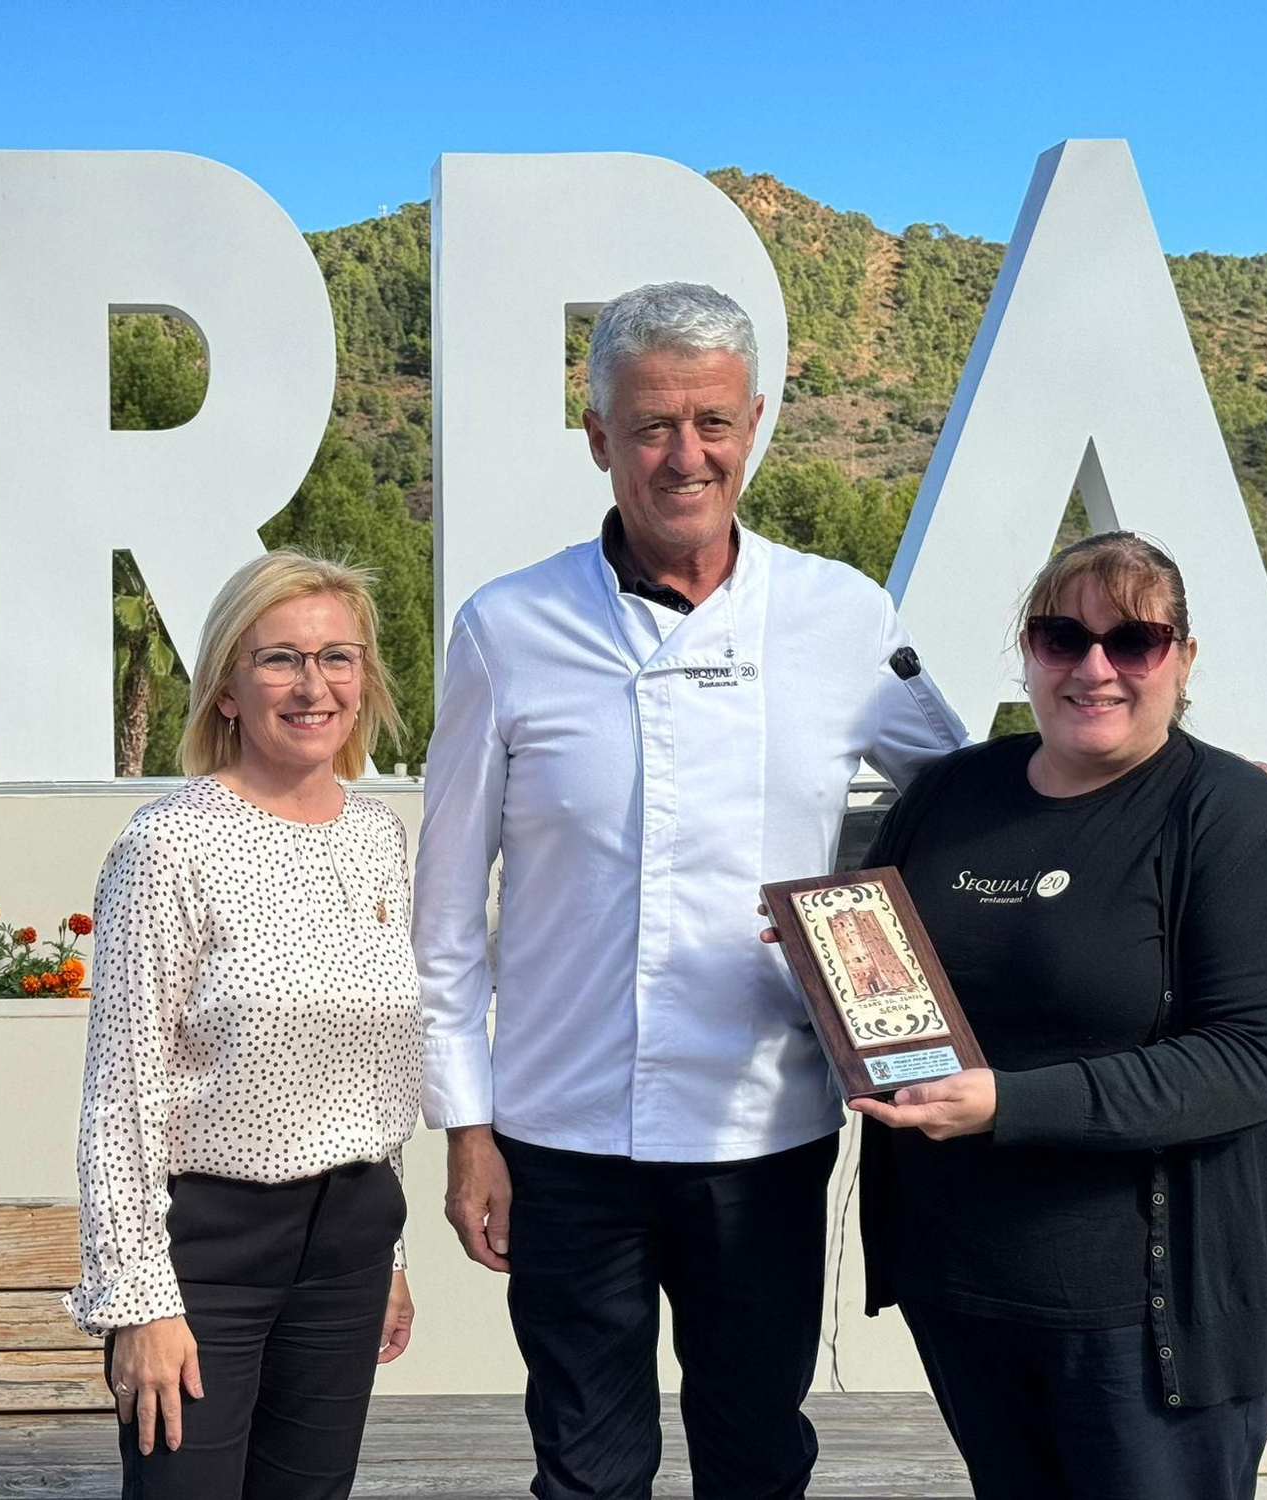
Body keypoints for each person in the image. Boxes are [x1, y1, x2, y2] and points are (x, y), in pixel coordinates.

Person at [413, 280, 970, 1500]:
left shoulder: (840, 613)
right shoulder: (505, 627)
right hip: (557, 1135)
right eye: (652, 425)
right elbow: (445, 915)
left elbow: (976, 789)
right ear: (598, 435)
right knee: (584, 1465)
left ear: (756, 421)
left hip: (759, 1130)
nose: (685, 455)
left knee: (756, 1449)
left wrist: (1172, 775)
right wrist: (466, 1128)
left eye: (711, 422)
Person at [848, 532, 1267, 1499]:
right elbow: (899, 982)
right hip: (962, 1291)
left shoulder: (1232, 814)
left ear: (1184, 657)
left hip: (1146, 1320)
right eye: (1061, 637)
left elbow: (1255, 1058)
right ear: (1028, 652)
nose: (1095, 668)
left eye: (1135, 641)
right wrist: (823, 960)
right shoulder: (953, 794)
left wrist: (1011, 1103)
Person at [67, 549, 422, 1500]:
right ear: (227, 685)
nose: (314, 686)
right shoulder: (167, 845)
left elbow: (374, 1076)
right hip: (208, 1252)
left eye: (337, 658)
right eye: (280, 660)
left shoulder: (379, 835)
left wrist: (387, 1257)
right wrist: (138, 1303)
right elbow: (119, 1096)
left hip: (349, 1241)